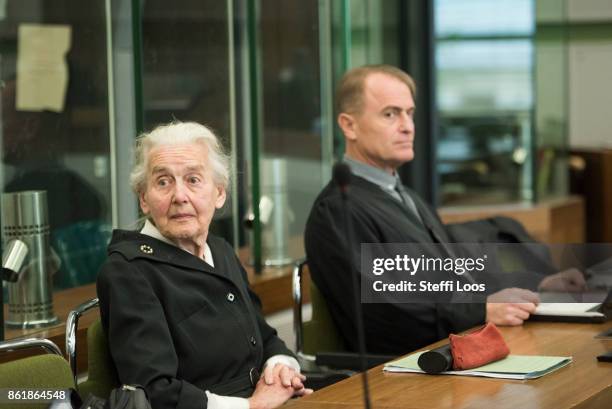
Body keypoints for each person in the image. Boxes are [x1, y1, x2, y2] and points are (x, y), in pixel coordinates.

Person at [304, 65, 585, 355]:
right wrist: (481, 310)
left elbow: (456, 275)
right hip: (405, 372)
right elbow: (384, 313)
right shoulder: (339, 211)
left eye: (409, 113)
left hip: (453, 351)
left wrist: (536, 283)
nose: (407, 126)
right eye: (390, 114)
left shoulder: (406, 197)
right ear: (349, 125)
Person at [97, 121, 312, 409]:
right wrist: (251, 407)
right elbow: (155, 391)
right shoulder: (128, 270)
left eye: (193, 179)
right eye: (163, 182)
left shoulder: (220, 250)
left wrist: (281, 369)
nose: (180, 196)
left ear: (219, 193)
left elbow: (264, 337)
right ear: (144, 199)